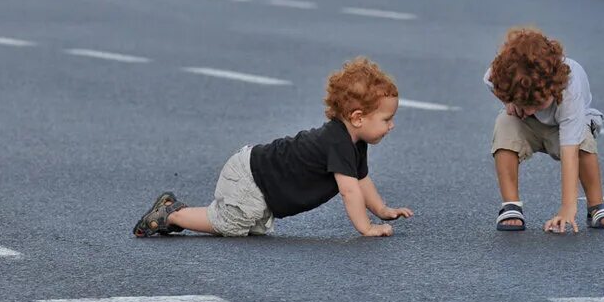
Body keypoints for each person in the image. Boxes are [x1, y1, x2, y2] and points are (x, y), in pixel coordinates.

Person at [133, 58, 411, 239]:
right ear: (358, 117)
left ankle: (175, 210)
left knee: (249, 228)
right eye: (387, 119)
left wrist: (382, 210)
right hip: (250, 177)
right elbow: (349, 190)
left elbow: (361, 181)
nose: (391, 126)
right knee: (230, 225)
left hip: (259, 180)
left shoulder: (355, 143)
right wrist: (366, 228)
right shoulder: (337, 141)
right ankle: (171, 213)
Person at [486, 27, 604, 233]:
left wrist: (568, 208)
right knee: (504, 123)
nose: (530, 109)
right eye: (525, 103)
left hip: (565, 127)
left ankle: (596, 205)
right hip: (527, 125)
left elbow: (569, 150)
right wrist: (509, 101)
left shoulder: (569, 91)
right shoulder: (500, 75)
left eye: (537, 103)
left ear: (552, 87)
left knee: (583, 143)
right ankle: (511, 206)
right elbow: (489, 81)